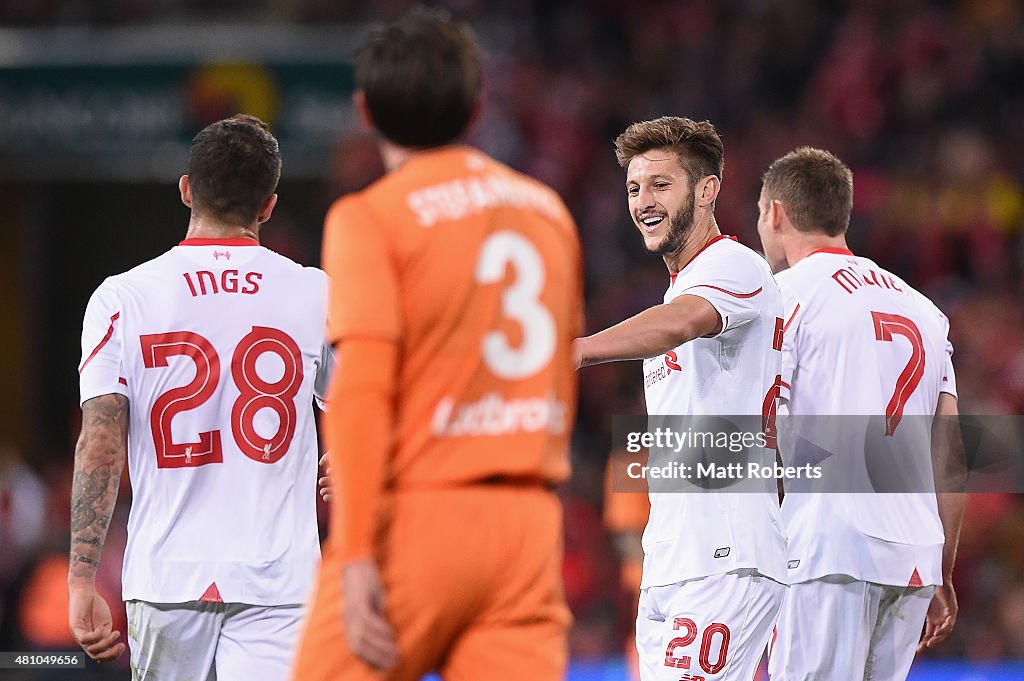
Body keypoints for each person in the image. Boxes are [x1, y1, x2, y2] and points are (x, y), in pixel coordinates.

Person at [290, 8, 582, 681]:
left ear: (365, 110)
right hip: (529, 526)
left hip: (421, 516)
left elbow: (360, 386)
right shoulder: (549, 211)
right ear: (478, 106)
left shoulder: (370, 215)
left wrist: (357, 547)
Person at [69, 114, 330, 680]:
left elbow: (100, 441)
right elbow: (370, 402)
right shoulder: (315, 292)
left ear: (187, 189)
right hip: (279, 579)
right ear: (268, 205)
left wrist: (82, 579)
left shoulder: (122, 298)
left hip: (167, 574)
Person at [574, 116, 787, 681]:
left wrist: (578, 350)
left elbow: (682, 322)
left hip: (726, 555)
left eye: (661, 185)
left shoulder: (735, 267)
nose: (643, 201)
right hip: (674, 556)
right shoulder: (682, 284)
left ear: (707, 189)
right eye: (634, 189)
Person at [756, 146, 966, 681]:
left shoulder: (784, 298)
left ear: (776, 212)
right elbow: (954, 457)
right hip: (914, 553)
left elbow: (767, 438)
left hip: (827, 547)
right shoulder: (926, 310)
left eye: (760, 214)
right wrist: (940, 567)